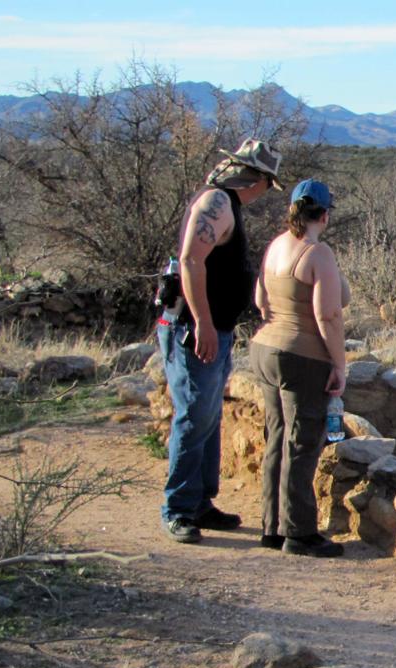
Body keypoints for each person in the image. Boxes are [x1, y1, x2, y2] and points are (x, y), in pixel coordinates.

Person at [159, 138, 283, 543]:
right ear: (255, 178)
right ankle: (178, 508)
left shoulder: (224, 204)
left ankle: (199, 503)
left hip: (213, 326)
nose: (265, 193)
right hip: (195, 329)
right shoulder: (215, 204)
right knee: (194, 415)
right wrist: (203, 323)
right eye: (267, 183)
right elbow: (191, 261)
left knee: (208, 417)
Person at [250, 179, 351, 557]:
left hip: (265, 348)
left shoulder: (276, 245)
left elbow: (261, 300)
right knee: (303, 441)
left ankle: (272, 526)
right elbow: (329, 314)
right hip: (302, 356)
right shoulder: (318, 253)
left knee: (277, 436)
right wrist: (339, 365)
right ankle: (300, 533)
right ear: (324, 215)